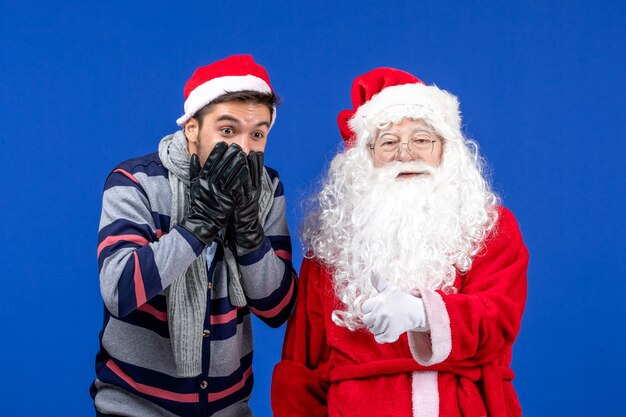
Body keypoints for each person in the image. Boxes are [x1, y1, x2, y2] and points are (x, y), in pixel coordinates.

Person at [271, 67, 528, 417]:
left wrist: (424, 314)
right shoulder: (334, 239)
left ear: (447, 150)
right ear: (365, 158)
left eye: (422, 139)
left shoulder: (490, 225)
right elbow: (301, 364)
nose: (405, 154)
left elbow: (499, 320)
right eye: (389, 142)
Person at [91, 54, 297, 417]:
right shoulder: (135, 182)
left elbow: (278, 309)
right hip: (135, 407)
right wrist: (196, 226)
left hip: (229, 408)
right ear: (191, 128)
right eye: (228, 130)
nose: (243, 148)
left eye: (258, 134)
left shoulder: (268, 189)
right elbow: (119, 291)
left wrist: (249, 234)